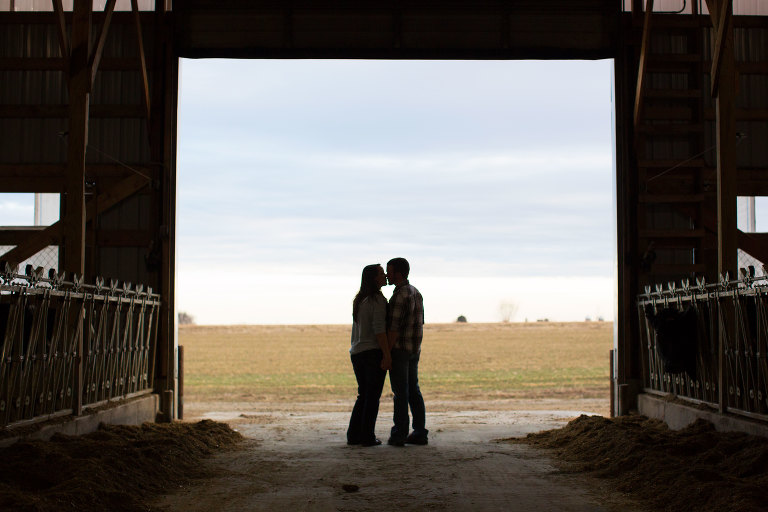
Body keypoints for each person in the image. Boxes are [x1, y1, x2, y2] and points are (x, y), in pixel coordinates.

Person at [347, 264, 391, 447]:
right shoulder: (377, 300)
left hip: (357, 352)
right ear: (374, 279)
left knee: (363, 395)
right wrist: (387, 355)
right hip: (372, 352)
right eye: (381, 273)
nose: (385, 275)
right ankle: (367, 436)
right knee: (372, 396)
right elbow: (380, 331)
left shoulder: (361, 300)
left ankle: (354, 435)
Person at [385, 257, 427, 446]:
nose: (387, 275)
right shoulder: (416, 293)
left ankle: (399, 433)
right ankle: (419, 432)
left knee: (401, 393)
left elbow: (393, 328)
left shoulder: (400, 295)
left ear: (399, 273)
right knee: (413, 390)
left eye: (390, 271)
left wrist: (386, 353)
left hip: (400, 350)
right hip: (414, 350)